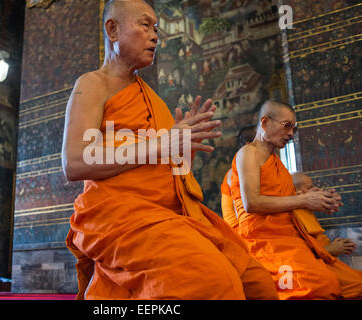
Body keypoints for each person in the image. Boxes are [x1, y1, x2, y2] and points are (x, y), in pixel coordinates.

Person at [62, 0, 278, 300]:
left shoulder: (153, 99)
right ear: (113, 29)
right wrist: (162, 143)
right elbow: (74, 162)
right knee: (216, 282)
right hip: (120, 214)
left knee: (259, 285)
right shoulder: (91, 85)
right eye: (145, 25)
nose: (155, 35)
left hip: (173, 214)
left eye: (156, 28)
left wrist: (181, 152)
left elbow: (168, 174)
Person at [230, 99, 345, 300]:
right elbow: (252, 203)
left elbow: (284, 200)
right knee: (322, 284)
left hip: (290, 240)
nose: (291, 134)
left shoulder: (279, 164)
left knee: (335, 283)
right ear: (264, 122)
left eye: (294, 128)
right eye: (287, 126)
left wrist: (319, 199)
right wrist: (304, 200)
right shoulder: (248, 153)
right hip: (263, 242)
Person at [292, 172, 362, 299]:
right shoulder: (292, 215)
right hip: (314, 270)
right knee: (358, 285)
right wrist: (331, 249)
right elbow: (298, 255)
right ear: (296, 192)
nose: (316, 191)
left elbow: (316, 243)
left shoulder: (305, 211)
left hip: (327, 263)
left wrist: (337, 247)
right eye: (309, 188)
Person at [221, 125, 256, 230]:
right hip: (245, 232)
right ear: (248, 144)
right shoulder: (234, 174)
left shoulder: (266, 164)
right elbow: (236, 215)